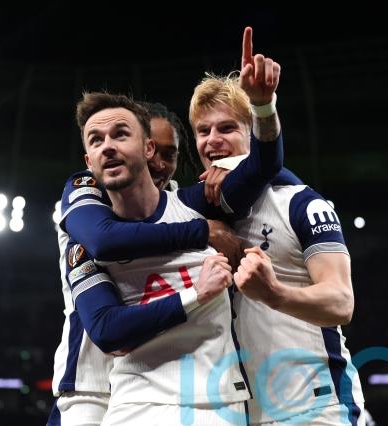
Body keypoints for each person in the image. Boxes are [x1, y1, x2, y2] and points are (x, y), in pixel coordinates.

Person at [56, 27, 365, 425]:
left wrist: (263, 107)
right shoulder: (88, 211)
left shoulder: (293, 203)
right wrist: (205, 237)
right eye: (203, 131)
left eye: (227, 128)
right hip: (119, 393)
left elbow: (341, 303)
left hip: (297, 402)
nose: (213, 140)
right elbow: (104, 252)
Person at [49, 85, 283, 424]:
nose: (159, 164)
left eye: (169, 155)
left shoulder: (191, 203)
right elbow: (105, 245)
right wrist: (202, 237)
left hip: (206, 394)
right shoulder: (84, 215)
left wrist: (253, 123)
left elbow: (264, 167)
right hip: (92, 386)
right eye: (97, 140)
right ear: (88, 161)